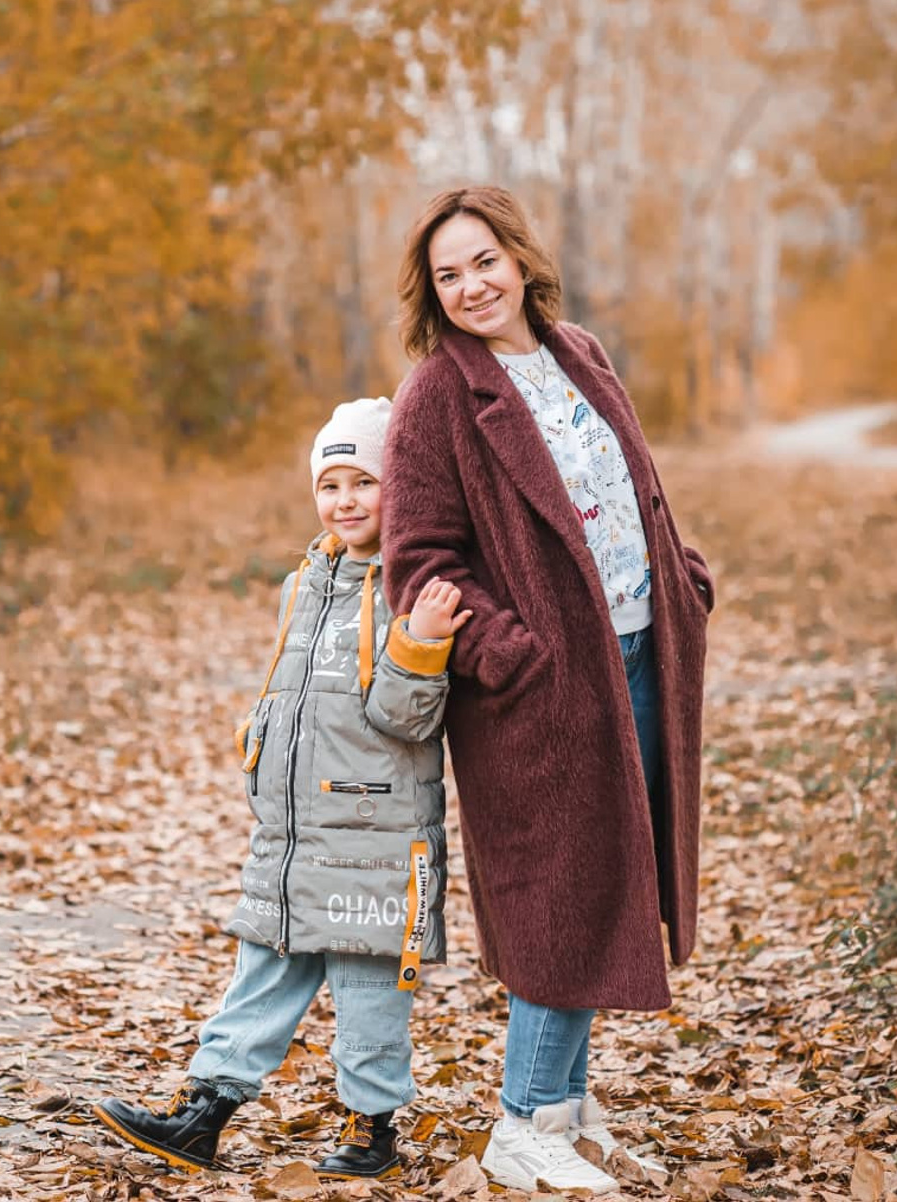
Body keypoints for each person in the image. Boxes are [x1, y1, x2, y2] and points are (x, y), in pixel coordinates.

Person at [382, 187, 715, 1195]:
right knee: (557, 899)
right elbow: (419, 563)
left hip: (638, 656)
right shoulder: (435, 396)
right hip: (540, 689)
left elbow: (633, 486)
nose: (471, 284)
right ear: (431, 294)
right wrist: (512, 654)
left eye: (483, 260)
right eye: (448, 273)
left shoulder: (579, 353)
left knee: (611, 879)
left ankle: (565, 1113)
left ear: (518, 258)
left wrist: (684, 576)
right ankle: (521, 1119)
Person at [93, 397, 471, 1181]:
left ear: (399, 487)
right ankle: (203, 1113)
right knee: (261, 967)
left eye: (364, 482)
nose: (345, 501)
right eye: (330, 484)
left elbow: (406, 721)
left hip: (373, 832)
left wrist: (422, 646)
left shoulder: (411, 587)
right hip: (294, 831)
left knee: (369, 992)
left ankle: (373, 1132)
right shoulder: (305, 581)